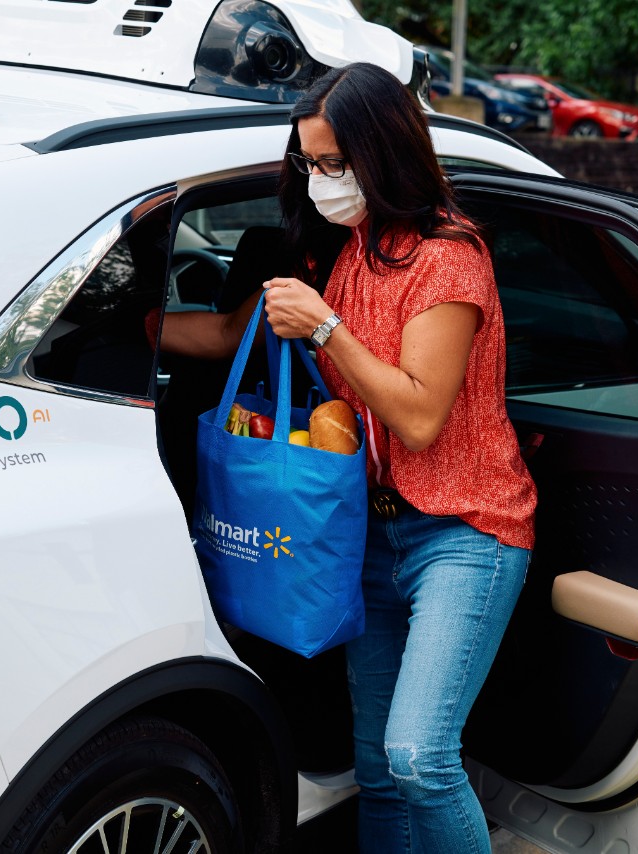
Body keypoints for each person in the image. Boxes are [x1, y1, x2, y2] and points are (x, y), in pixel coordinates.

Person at [161, 61, 536, 853]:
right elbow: (231, 336)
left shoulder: (450, 258)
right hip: (370, 532)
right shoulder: (350, 249)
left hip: (466, 533)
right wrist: (125, 330)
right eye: (313, 163)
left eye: (337, 163)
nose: (325, 180)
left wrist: (327, 327)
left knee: (420, 757)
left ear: (387, 152)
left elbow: (420, 416)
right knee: (376, 769)